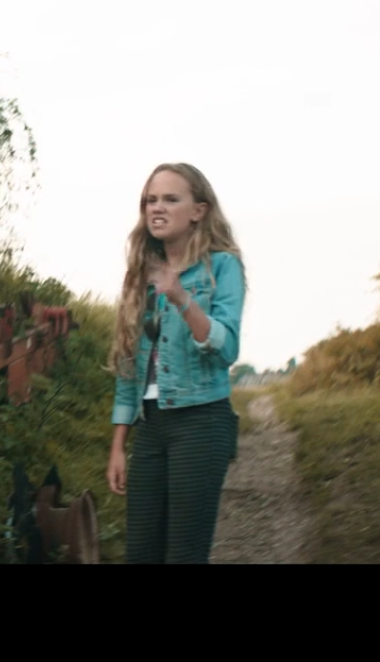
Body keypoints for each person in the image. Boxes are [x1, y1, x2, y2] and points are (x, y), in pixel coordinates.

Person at [105, 162, 246, 564]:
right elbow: (128, 366)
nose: (157, 208)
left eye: (170, 199)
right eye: (151, 200)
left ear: (198, 210)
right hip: (151, 426)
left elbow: (226, 349)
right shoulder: (140, 274)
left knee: (184, 554)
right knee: (141, 554)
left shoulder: (222, 267)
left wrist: (182, 298)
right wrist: (118, 446)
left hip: (201, 421)